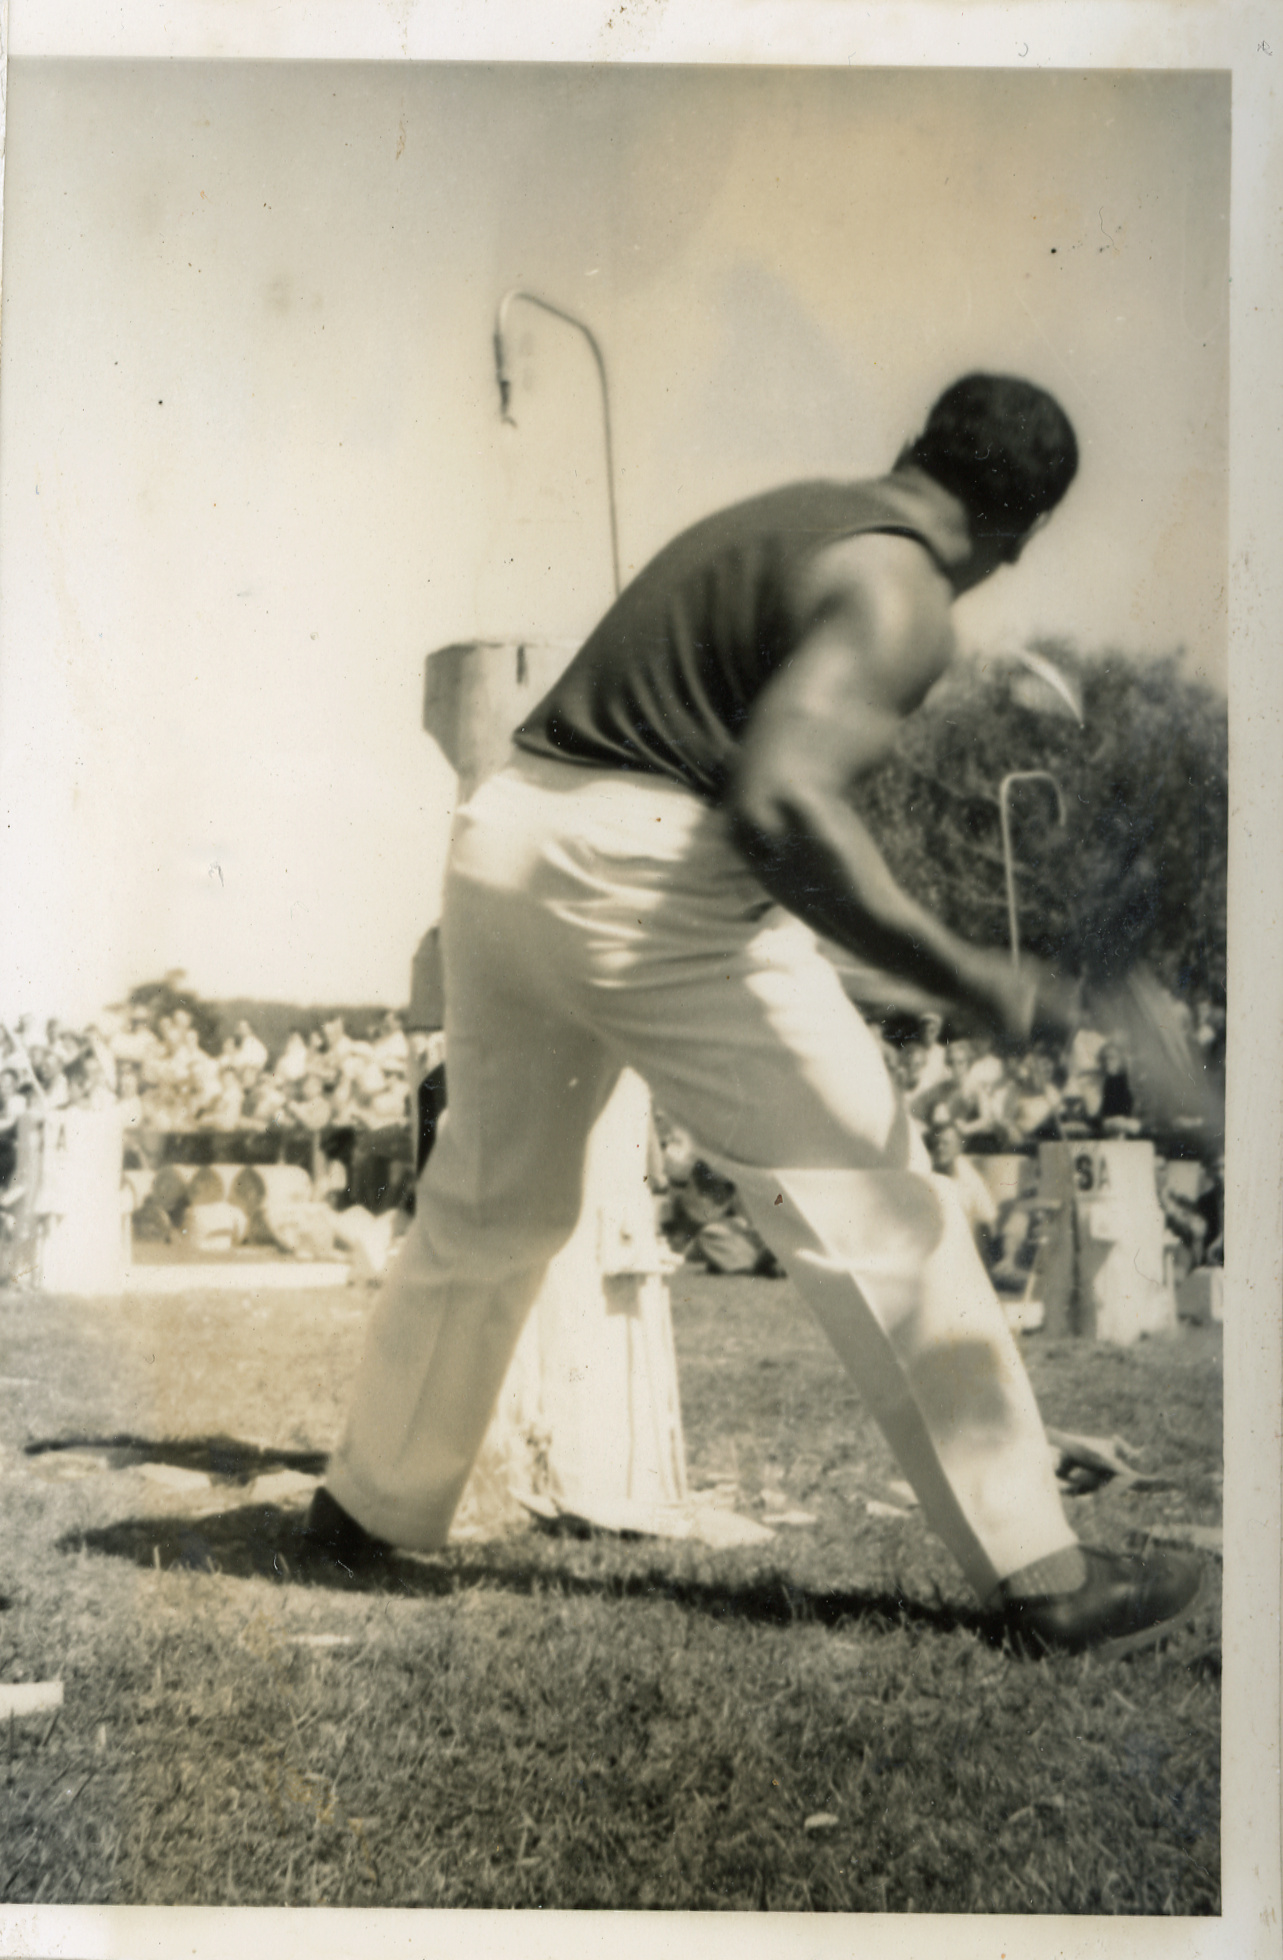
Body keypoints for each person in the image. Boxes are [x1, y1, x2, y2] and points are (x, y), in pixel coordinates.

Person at [304, 372, 1202, 1654]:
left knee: (488, 1201)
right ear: (1020, 534)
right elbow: (777, 804)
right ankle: (1044, 1573)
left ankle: (367, 1512)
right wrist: (963, 974)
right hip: (653, 871)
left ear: (916, 445)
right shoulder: (901, 593)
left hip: (511, 831)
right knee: (883, 1209)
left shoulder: (796, 513)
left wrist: (919, 969)